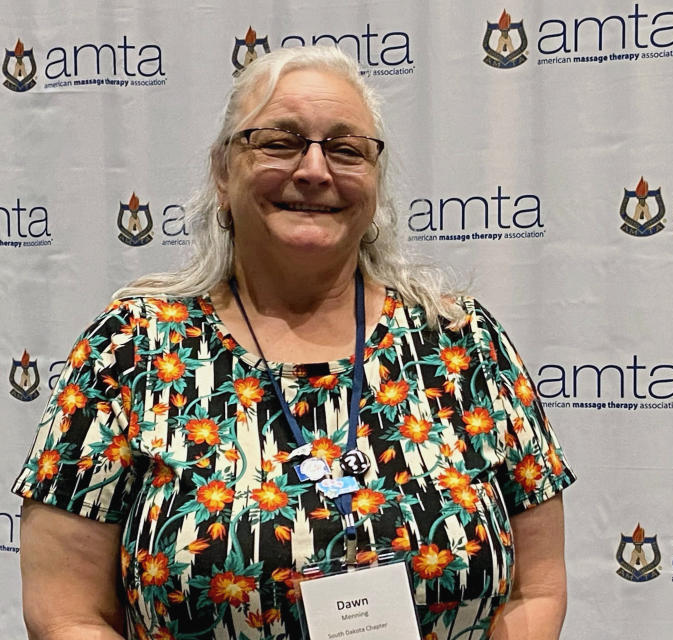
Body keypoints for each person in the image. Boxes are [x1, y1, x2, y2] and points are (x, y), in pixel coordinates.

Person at [13, 45, 574, 640]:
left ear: (377, 185)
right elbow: (67, 613)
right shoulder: (130, 348)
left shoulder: (463, 344)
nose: (314, 170)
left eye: (345, 149)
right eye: (280, 142)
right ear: (222, 173)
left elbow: (536, 589)